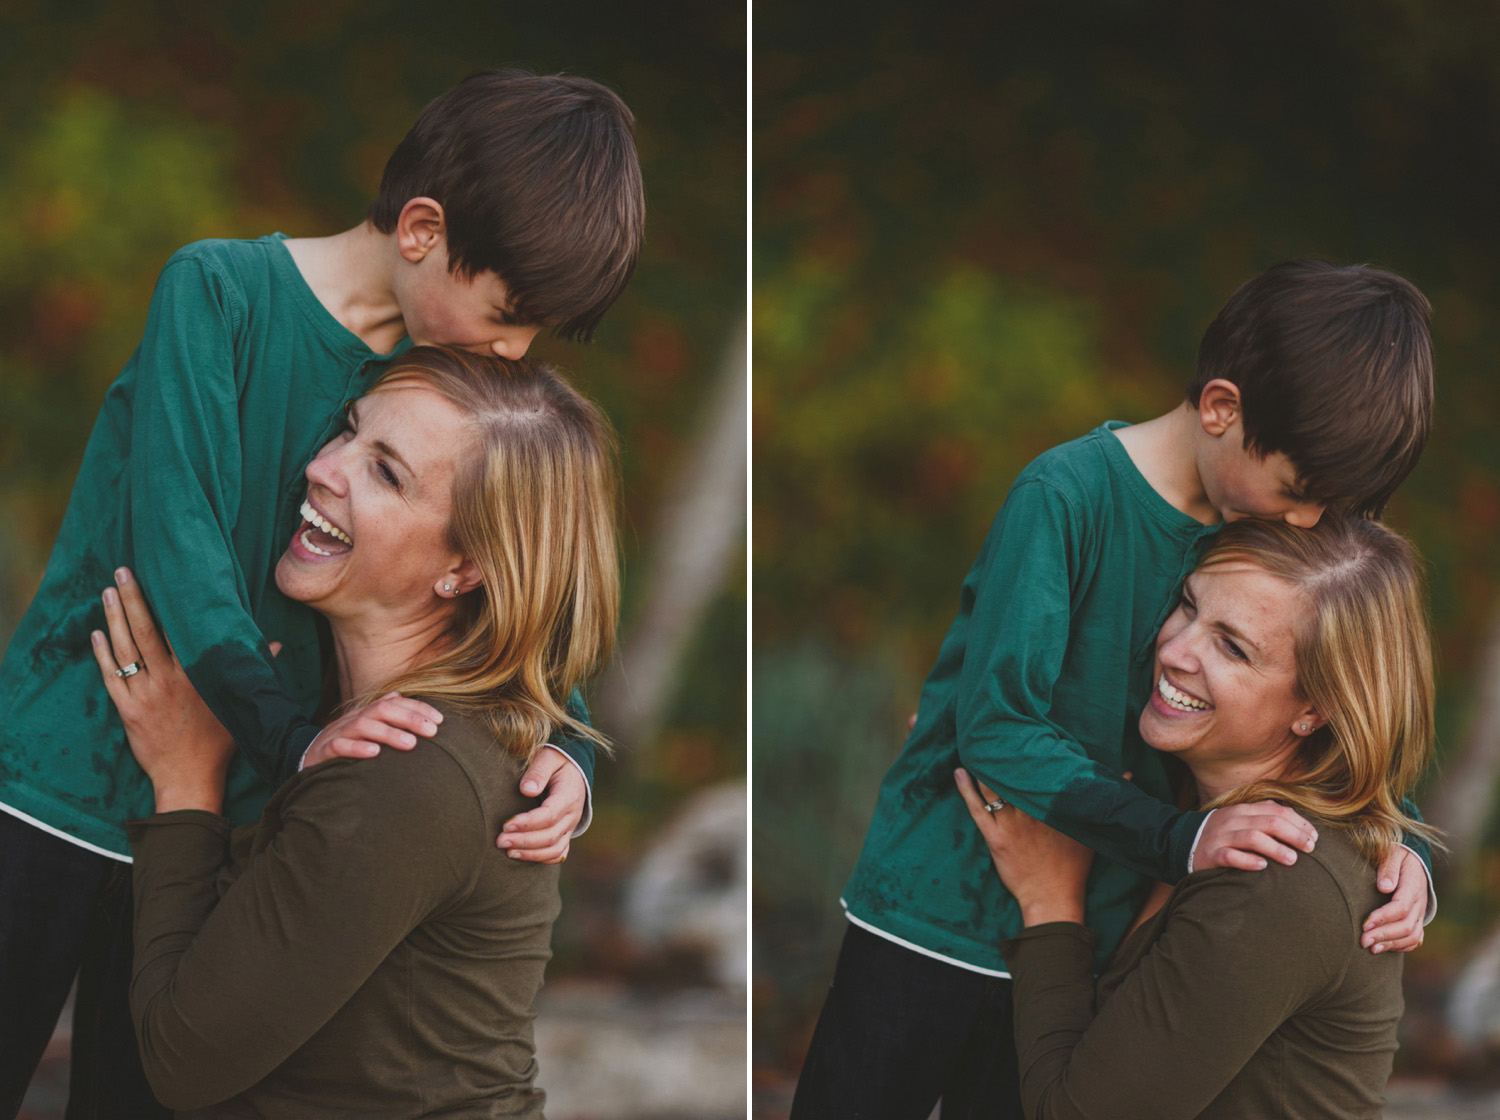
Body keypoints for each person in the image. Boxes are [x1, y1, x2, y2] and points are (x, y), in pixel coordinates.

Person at [0, 70, 644, 1117]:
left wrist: (565, 745)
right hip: (61, 780)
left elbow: (533, 576)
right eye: (507, 317)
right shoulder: (217, 294)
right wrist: (290, 736)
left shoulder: (426, 394)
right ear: (425, 230)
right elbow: (184, 547)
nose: (512, 354)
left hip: (221, 820)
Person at [791, 261, 1436, 1120]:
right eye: (1299, 493)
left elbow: (1338, 699)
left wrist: (1408, 849)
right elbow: (996, 726)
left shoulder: (1247, 533)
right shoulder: (1067, 496)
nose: (1309, 526)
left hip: (1077, 939)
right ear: (1221, 410)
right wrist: (1181, 838)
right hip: (938, 910)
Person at [90, 346, 618, 1115]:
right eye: (348, 431)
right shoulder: (412, 733)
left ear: (464, 569)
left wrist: (185, 782)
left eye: (386, 473)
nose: (324, 468)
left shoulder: (402, 768)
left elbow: (181, 1061)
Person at [956, 511, 1437, 1119]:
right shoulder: (1192, 801)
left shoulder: (1276, 874)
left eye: (1232, 647)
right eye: (1187, 605)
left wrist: (1050, 903)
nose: (1175, 650)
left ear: (1314, 710)